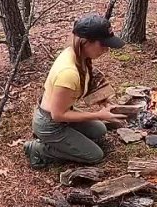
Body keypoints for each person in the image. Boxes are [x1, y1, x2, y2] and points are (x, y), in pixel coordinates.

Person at [24, 14, 127, 169]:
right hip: (50, 124)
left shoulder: (79, 54)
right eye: (103, 45)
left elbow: (87, 81)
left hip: (61, 116)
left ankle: (62, 140)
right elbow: (57, 115)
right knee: (95, 155)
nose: (106, 49)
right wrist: (98, 114)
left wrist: (102, 100)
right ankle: (38, 149)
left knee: (100, 129)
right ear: (86, 42)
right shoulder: (68, 72)